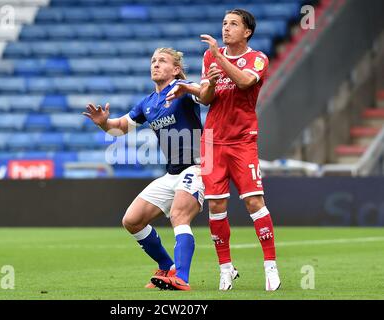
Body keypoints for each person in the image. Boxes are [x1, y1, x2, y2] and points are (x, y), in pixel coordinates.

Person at [83, 48, 217, 291]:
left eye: (162, 61)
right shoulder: (148, 103)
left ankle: (182, 278)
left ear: (175, 69)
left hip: (196, 168)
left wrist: (205, 84)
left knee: (179, 215)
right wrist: (104, 123)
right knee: (132, 220)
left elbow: (206, 97)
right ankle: (166, 265)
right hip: (172, 173)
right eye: (153, 61)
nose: (155, 64)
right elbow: (119, 128)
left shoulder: (183, 89)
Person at [166, 9, 281, 291]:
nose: (226, 28)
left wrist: (219, 58)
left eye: (233, 24)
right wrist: (200, 86)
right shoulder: (210, 58)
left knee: (254, 202)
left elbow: (244, 82)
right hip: (212, 142)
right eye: (224, 24)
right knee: (216, 206)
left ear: (247, 32)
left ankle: (270, 266)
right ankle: (226, 269)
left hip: (242, 140)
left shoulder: (258, 59)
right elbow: (207, 98)